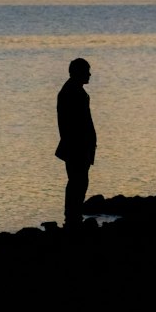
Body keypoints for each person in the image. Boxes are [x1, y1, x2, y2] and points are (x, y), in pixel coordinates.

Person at [56, 58, 97, 230]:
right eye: (86, 70)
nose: (89, 74)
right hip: (76, 146)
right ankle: (72, 218)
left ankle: (73, 217)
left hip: (79, 145)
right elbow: (71, 123)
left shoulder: (75, 90)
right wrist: (81, 145)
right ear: (77, 72)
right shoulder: (71, 92)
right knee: (77, 181)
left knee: (79, 181)